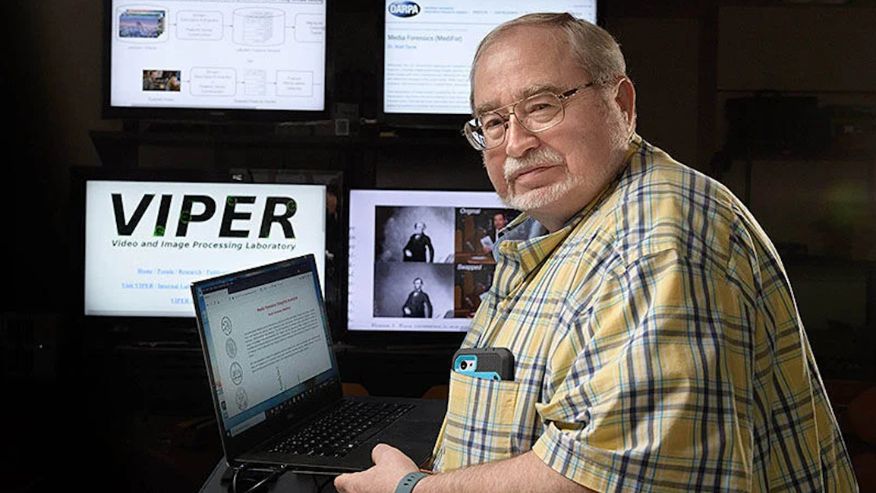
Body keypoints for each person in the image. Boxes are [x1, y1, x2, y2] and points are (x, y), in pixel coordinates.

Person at [335, 12, 858, 493]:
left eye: (541, 106)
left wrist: (412, 489)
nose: (515, 143)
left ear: (621, 105)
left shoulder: (656, 239)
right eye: (493, 122)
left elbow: (616, 481)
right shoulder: (562, 226)